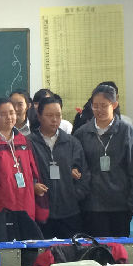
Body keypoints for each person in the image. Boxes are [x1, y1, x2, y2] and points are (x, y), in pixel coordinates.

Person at [73, 84, 133, 236]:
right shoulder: (82, 133)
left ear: (114, 105)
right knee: (96, 247)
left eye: (104, 105)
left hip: (121, 205)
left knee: (119, 248)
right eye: (95, 106)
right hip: (92, 205)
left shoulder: (126, 131)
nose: (99, 110)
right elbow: (75, 163)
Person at [0, 97, 47, 226]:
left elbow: (33, 172)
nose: (9, 117)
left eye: (12, 113)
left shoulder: (24, 141)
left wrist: (33, 185)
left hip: (26, 205)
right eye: (3, 114)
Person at [29, 96, 89, 238]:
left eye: (58, 115)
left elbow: (84, 175)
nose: (54, 119)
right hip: (41, 212)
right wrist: (33, 186)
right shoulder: (29, 143)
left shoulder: (72, 142)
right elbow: (25, 174)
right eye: (49, 115)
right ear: (39, 116)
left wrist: (74, 195)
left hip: (70, 213)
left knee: (71, 250)